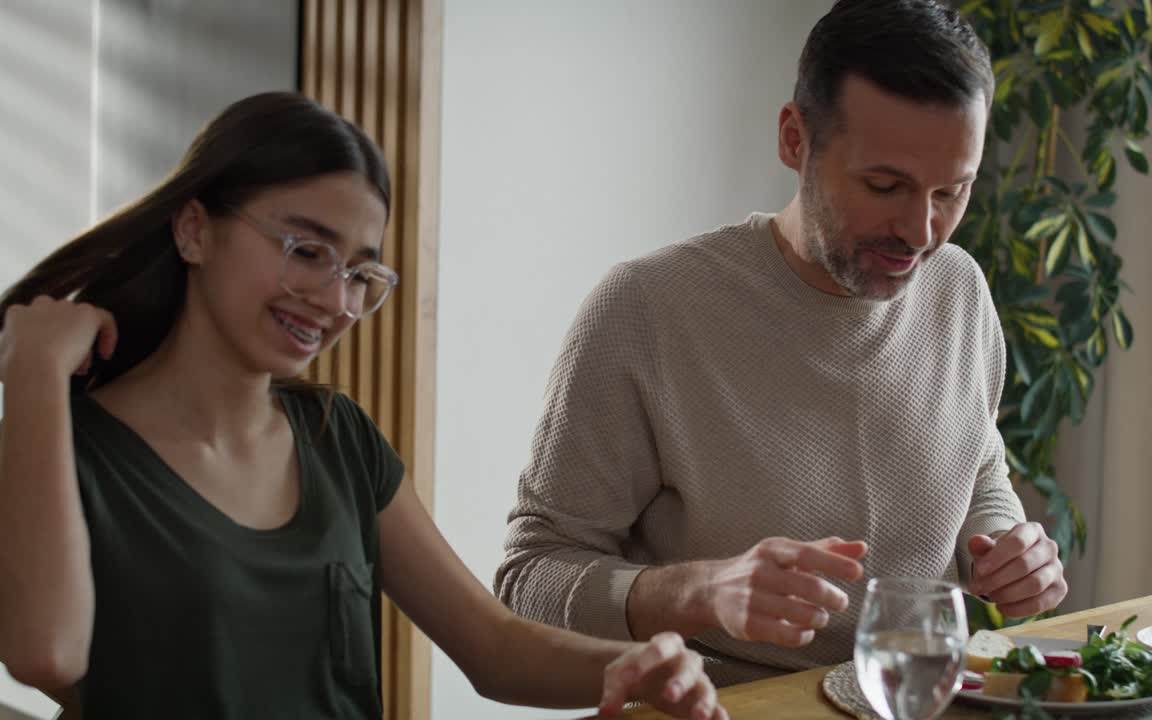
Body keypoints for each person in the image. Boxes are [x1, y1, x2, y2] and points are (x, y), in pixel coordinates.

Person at [0, 92, 727, 720]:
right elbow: (45, 654)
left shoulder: (336, 437)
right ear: (194, 229)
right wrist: (32, 370)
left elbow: (493, 646)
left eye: (359, 272)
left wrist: (632, 667)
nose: (335, 299)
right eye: (305, 250)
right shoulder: (65, 450)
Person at [495, 0, 1067, 686]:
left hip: (920, 694)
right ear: (796, 139)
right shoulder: (646, 309)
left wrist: (1003, 547)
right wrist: (701, 591)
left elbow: (977, 467)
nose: (921, 232)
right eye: (885, 185)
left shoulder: (958, 287)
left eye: (952, 191)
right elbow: (529, 578)